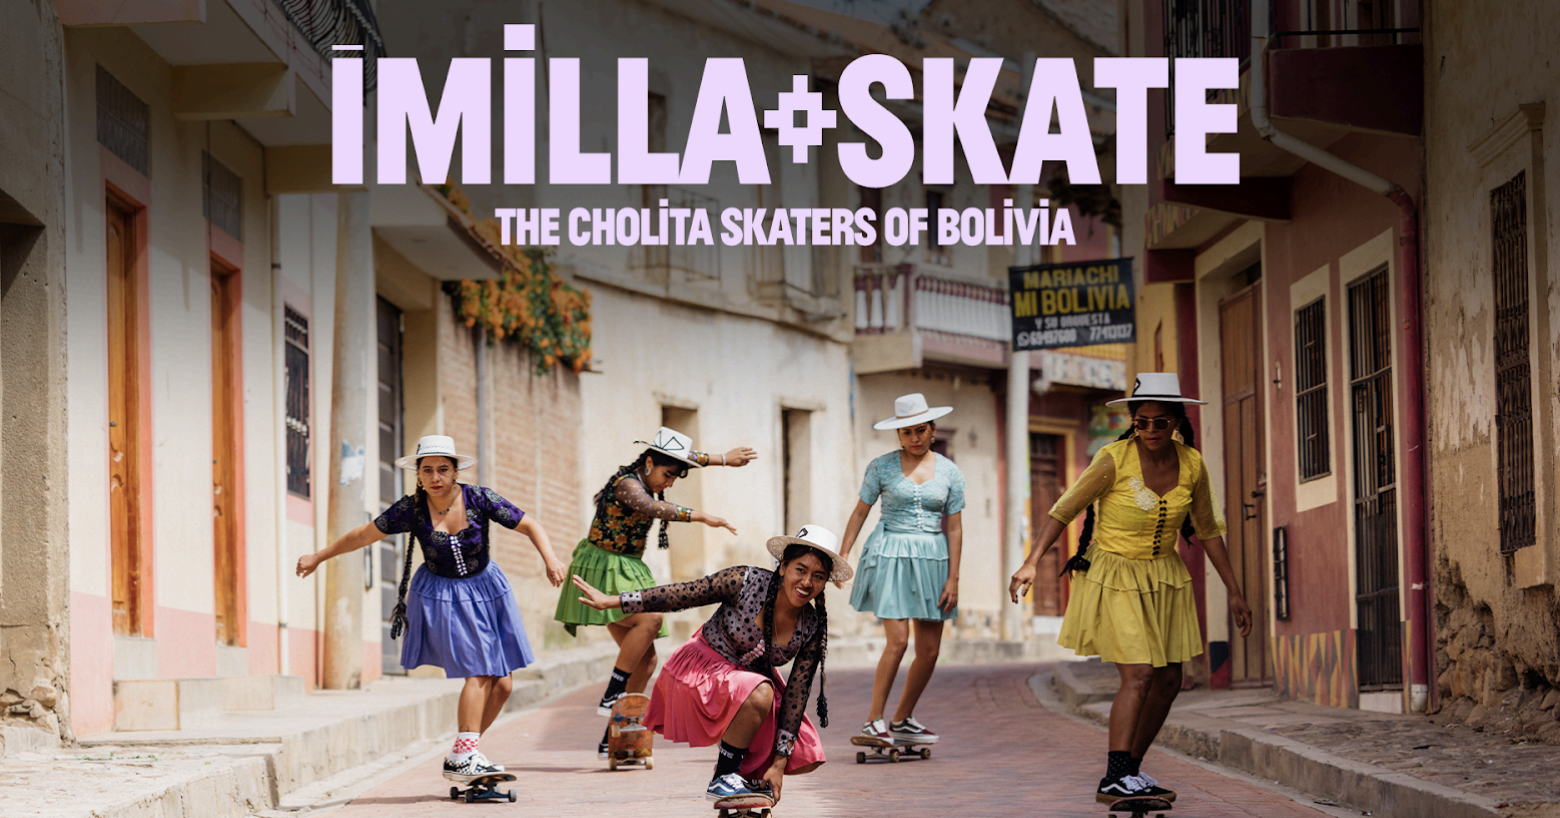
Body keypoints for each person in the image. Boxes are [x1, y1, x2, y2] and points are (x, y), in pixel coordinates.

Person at [1008, 373, 1253, 804]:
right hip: (1115, 575)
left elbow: (1209, 529)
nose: (1152, 431)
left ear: (1177, 419)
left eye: (1161, 422)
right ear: (1131, 421)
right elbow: (1063, 510)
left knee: (1170, 679)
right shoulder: (1111, 459)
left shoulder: (1192, 463)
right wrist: (1031, 562)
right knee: (1139, 674)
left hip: (1165, 577)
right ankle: (1114, 775)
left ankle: (1129, 772)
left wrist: (1234, 590)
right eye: (1142, 422)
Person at [296, 435, 566, 783]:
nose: (435, 477)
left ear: (455, 472)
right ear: (418, 475)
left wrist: (551, 559)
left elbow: (530, 524)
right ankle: (466, 755)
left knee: (502, 685)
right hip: (442, 595)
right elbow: (364, 535)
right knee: (480, 669)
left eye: (443, 469)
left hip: (486, 589)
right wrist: (319, 556)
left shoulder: (480, 498)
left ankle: (462, 753)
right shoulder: (411, 508)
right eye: (427, 470)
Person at [571, 525, 847, 806]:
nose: (807, 582)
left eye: (818, 576)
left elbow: (796, 694)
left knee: (806, 751)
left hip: (748, 685)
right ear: (783, 567)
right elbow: (684, 594)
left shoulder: (811, 625)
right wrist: (616, 601)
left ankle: (741, 773)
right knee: (760, 692)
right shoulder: (745, 581)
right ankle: (724, 777)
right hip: (701, 669)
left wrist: (778, 764)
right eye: (800, 570)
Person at [552, 426, 756, 757]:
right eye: (667, 475)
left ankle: (615, 736)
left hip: (629, 566)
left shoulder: (650, 471)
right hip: (603, 565)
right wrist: (702, 516)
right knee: (650, 620)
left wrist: (723, 460)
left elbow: (688, 457)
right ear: (648, 463)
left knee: (647, 662)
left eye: (675, 478)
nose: (669, 483)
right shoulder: (627, 485)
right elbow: (652, 508)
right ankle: (612, 692)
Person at [836, 393, 964, 747]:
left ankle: (902, 718)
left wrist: (953, 576)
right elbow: (861, 511)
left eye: (920, 430)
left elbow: (953, 527)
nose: (914, 438)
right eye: (906, 433)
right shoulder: (881, 467)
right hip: (890, 552)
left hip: (934, 561)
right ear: (898, 435)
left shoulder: (950, 472)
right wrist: (842, 554)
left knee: (930, 651)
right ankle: (873, 721)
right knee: (898, 641)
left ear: (933, 430)